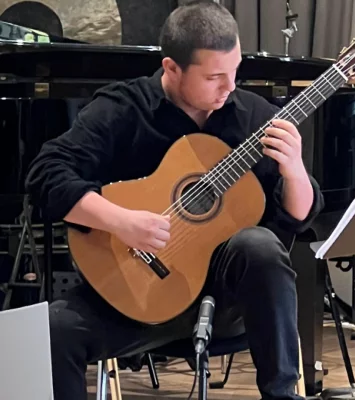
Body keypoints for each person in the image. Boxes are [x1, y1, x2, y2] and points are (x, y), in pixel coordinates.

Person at [25, 1, 324, 399]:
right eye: (214, 77)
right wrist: (120, 222)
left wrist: (295, 171)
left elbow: (299, 218)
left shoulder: (252, 116)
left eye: (235, 71)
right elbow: (46, 174)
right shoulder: (123, 108)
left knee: (260, 245)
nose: (230, 87)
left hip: (227, 304)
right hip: (136, 299)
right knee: (51, 331)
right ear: (171, 68)